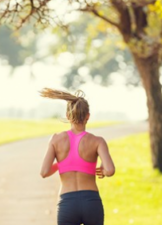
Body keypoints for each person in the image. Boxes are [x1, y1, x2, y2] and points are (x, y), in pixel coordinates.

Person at [39, 88, 115, 225]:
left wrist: (62, 164)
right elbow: (110, 170)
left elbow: (44, 172)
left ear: (68, 116)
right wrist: (103, 170)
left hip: (67, 204)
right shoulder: (98, 141)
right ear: (88, 116)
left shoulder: (56, 140)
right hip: (91, 202)